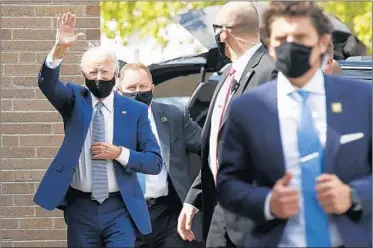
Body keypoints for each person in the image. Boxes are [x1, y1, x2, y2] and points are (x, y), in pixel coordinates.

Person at [217, 2, 371, 247]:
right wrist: (268, 202)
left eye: (300, 37)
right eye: (282, 38)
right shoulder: (248, 109)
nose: (291, 44)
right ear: (269, 46)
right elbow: (228, 184)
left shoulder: (362, 100)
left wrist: (352, 195)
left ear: (322, 42)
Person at [34, 13, 163, 248]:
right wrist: (59, 48)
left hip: (120, 207)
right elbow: (47, 84)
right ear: (83, 75)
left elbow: (154, 162)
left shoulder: (134, 110)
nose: (99, 78)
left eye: (105, 72)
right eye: (93, 73)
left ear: (116, 74)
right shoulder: (74, 99)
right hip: (80, 207)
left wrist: (120, 153)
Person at [177, 2, 277, 247]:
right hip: (219, 211)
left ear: (225, 32)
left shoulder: (271, 71)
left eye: (216, 29)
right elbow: (217, 146)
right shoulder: (226, 75)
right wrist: (194, 199)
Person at [117, 63, 203, 248]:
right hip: (124, 216)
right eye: (131, 88)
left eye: (143, 87)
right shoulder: (106, 120)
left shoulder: (174, 115)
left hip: (168, 214)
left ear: (153, 88)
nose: (138, 92)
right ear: (118, 91)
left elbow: (210, 150)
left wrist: (196, 196)